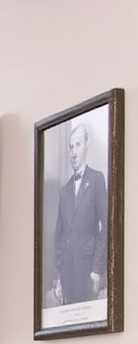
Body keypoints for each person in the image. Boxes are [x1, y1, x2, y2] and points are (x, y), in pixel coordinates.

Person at [52, 122, 108, 305]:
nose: (73, 152)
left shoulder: (97, 179)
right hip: (67, 275)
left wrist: (97, 268)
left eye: (78, 145)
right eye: (70, 147)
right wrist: (59, 275)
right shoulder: (65, 190)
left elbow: (107, 225)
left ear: (86, 145)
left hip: (88, 271)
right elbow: (59, 233)